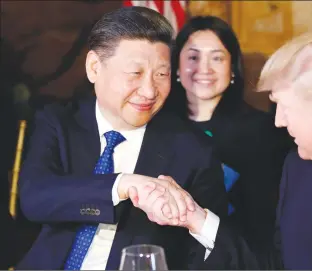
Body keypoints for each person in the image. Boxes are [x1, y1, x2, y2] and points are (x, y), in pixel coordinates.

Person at [147, 29, 312, 270]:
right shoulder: (302, 167)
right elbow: (276, 266)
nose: (278, 121)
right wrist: (196, 218)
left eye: (284, 107)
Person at [16, 7, 227, 270]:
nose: (150, 91)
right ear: (95, 68)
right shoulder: (59, 122)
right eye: (135, 73)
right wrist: (121, 185)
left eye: (161, 74)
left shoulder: (193, 150)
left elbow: (215, 248)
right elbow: (35, 198)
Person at [163, 15, 293, 248]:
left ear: (232, 68)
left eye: (217, 58)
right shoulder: (157, 126)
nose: (204, 68)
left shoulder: (265, 132)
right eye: (193, 57)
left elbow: (265, 220)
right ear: (177, 67)